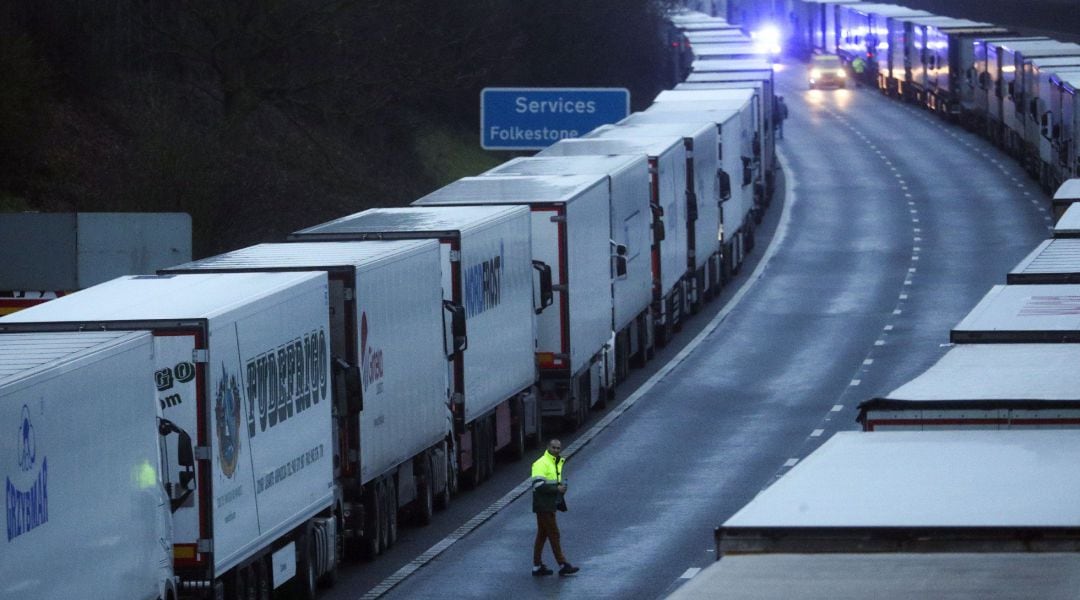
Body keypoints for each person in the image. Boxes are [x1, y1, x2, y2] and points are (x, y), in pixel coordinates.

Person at [531, 439, 579, 576]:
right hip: (544, 505)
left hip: (548, 504)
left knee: (542, 534)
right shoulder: (541, 463)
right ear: (548, 447)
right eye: (554, 447)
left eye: (558, 448)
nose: (556, 450)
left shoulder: (554, 462)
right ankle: (563, 564)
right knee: (554, 534)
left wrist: (559, 489)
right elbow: (537, 485)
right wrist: (557, 488)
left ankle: (537, 566)